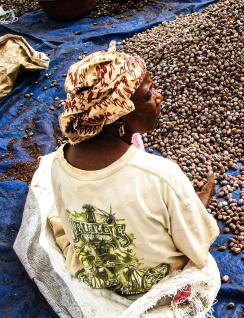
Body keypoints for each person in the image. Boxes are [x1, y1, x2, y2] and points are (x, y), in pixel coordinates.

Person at [47, 41, 220, 297]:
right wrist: (195, 203)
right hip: (155, 285)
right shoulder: (161, 176)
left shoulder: (59, 164)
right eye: (149, 95)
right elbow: (196, 244)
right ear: (120, 115)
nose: (159, 97)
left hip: (98, 276)